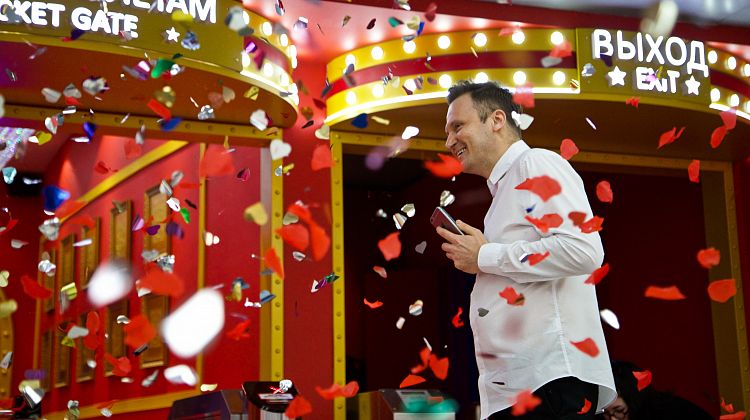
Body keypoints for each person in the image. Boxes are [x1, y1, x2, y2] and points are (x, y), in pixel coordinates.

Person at [436, 80, 616, 419]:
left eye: (457, 126)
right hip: (523, 387)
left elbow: (584, 249)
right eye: (447, 132)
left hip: (549, 381)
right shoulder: (503, 192)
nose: (449, 142)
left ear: (497, 120)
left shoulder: (536, 163)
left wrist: (485, 256)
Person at [600, 361, 713, 420]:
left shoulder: (668, 413)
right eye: (606, 413)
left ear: (635, 401)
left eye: (619, 411)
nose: (613, 419)